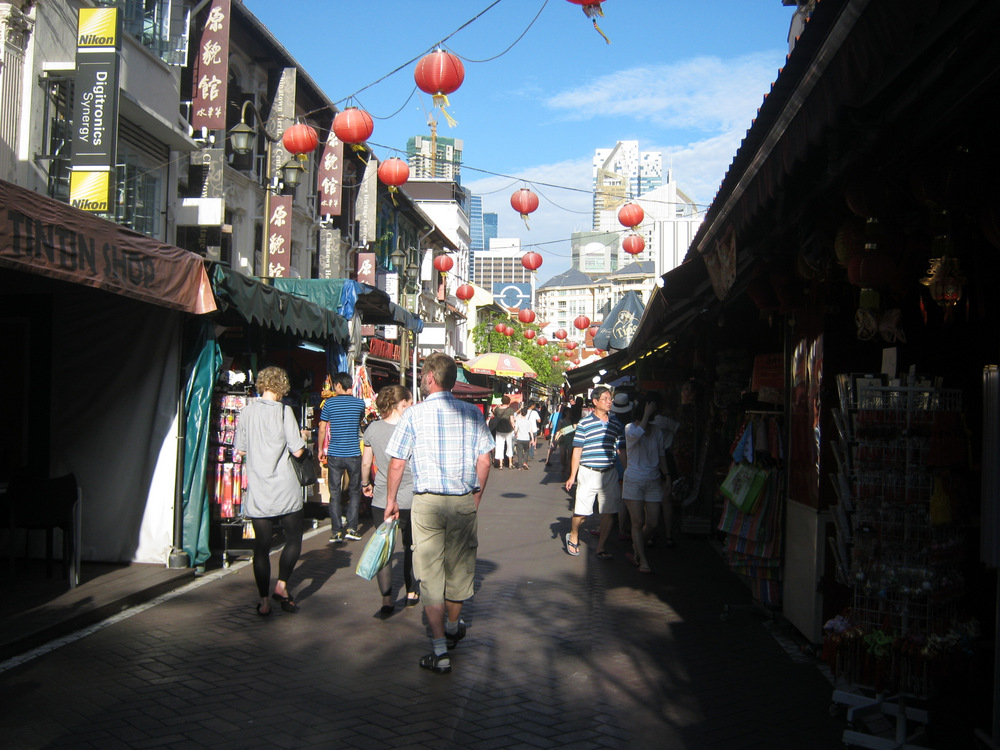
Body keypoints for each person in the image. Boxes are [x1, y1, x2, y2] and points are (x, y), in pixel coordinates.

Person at [384, 352, 495, 674]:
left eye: (422, 374)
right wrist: (475, 497)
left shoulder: (414, 415)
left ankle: (438, 650)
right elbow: (485, 461)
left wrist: (391, 500)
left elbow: (397, 462)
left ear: (431, 377)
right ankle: (452, 624)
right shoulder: (472, 413)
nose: (420, 379)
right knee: (459, 568)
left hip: (427, 502)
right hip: (461, 500)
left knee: (430, 573)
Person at [233, 366, 308, 616]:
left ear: (261, 384)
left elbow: (240, 450)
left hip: (258, 487)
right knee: (293, 538)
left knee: (261, 546)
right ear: (282, 387)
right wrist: (304, 438)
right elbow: (297, 450)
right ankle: (282, 585)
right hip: (285, 487)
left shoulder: (246, 412)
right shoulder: (284, 411)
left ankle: (264, 601)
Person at [361, 385, 419, 617]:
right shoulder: (413, 428)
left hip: (383, 497)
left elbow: (366, 463)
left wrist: (366, 483)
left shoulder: (373, 429)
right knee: (411, 547)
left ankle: (386, 599)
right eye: (411, 402)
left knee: (384, 548)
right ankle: (412, 592)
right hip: (412, 496)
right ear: (403, 403)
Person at [563, 386, 626, 560]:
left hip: (610, 472)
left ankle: (601, 547)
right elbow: (577, 450)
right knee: (581, 512)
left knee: (609, 512)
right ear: (595, 401)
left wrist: (626, 472)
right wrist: (572, 475)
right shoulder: (585, 423)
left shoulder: (616, 424)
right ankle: (574, 534)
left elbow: (621, 450)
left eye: (610, 399)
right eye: (605, 399)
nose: (609, 402)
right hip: (588, 472)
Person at [621, 394, 670, 574]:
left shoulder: (656, 431)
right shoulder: (629, 428)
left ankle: (637, 547)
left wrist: (668, 476)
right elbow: (638, 434)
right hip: (634, 479)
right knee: (637, 521)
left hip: (653, 479)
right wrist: (646, 416)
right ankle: (642, 559)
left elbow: (662, 454)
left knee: (653, 521)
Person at [318, 372, 366, 543]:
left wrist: (320, 449)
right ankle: (352, 529)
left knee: (335, 493)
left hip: (335, 454)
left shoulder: (329, 404)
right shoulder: (360, 404)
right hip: (353, 453)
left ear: (338, 385)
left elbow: (322, 428)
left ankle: (337, 531)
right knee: (354, 492)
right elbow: (360, 423)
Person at [491, 395, 517, 469]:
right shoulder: (510, 410)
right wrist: (515, 429)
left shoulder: (498, 409)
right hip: (508, 430)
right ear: (509, 402)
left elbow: (493, 411)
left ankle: (500, 464)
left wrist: (497, 406)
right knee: (509, 446)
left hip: (499, 430)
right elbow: (512, 421)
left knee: (499, 447)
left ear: (502, 401)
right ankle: (510, 463)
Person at [512, 402, 533, 470]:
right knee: (526, 451)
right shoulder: (528, 421)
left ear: (521, 413)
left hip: (520, 439)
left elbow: (515, 430)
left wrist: (516, 434)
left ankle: (520, 466)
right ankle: (525, 463)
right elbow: (530, 431)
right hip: (526, 438)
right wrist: (532, 439)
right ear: (526, 413)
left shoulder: (518, 421)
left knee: (519, 452)